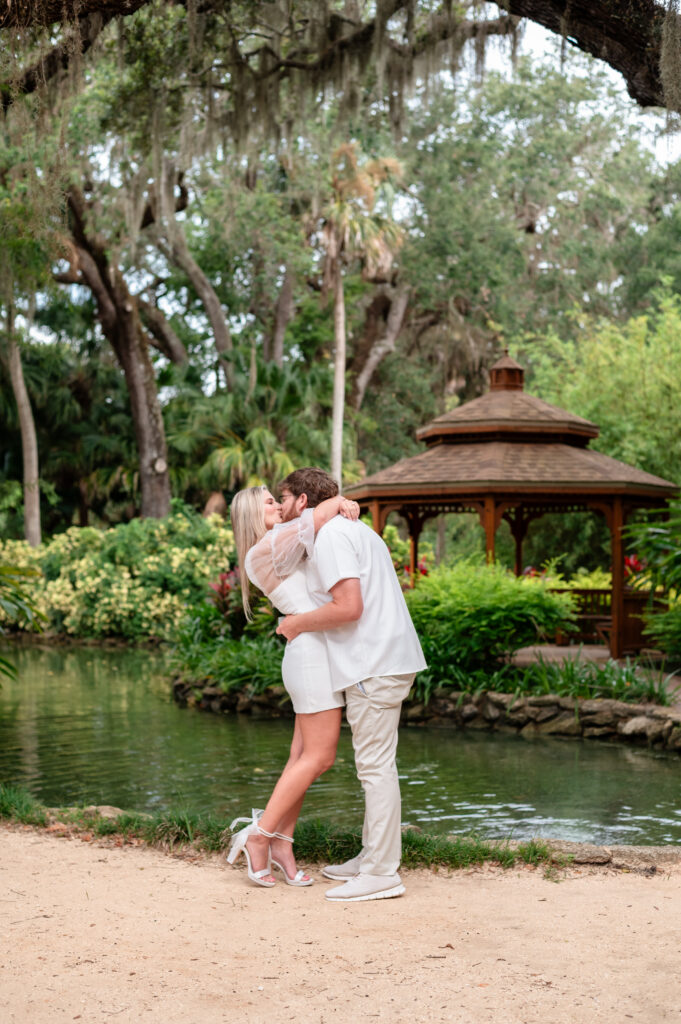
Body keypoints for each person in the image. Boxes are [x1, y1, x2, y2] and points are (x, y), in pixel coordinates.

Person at [276, 467, 427, 902]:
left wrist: (296, 624)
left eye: (283, 499)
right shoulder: (350, 528)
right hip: (380, 660)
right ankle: (372, 856)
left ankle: (381, 872)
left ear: (303, 501)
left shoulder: (331, 537)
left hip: (373, 663)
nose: (281, 507)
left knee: (376, 768)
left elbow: (350, 607)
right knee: (375, 765)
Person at [227, 484, 360, 888]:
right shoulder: (262, 551)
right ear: (253, 514)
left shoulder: (282, 545)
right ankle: (259, 836)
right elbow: (315, 517)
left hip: (313, 652)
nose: (278, 506)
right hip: (310, 657)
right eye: (269, 502)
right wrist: (339, 501)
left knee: (301, 756)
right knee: (320, 758)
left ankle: (282, 842)